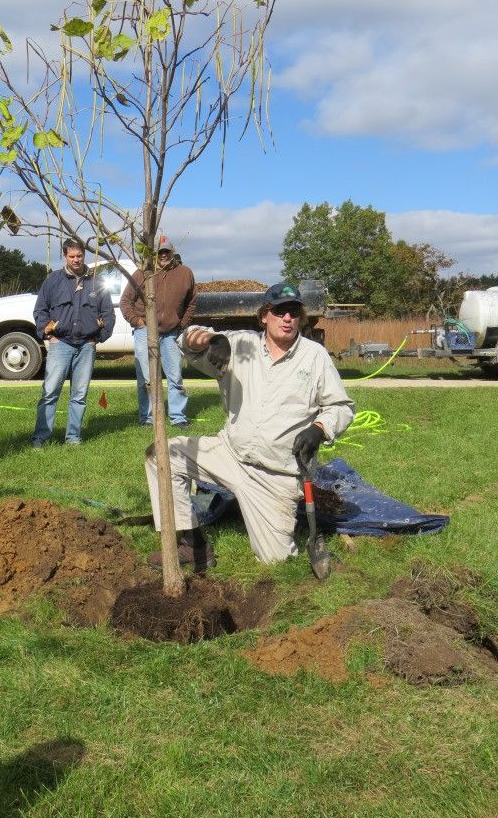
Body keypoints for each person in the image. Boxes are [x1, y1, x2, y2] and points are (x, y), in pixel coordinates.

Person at [144, 282, 355, 572]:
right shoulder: (239, 345)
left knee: (276, 562)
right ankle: (194, 546)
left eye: (294, 312)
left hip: (276, 474)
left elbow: (341, 407)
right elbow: (185, 339)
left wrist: (319, 428)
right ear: (264, 316)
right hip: (229, 454)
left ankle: (256, 512)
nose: (287, 319)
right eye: (280, 311)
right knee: (161, 454)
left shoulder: (314, 356)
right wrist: (211, 340)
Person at [31, 238, 114, 447]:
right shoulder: (53, 281)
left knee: (79, 395)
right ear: (65, 256)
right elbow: (40, 310)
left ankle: (73, 437)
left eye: (79, 256)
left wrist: (97, 338)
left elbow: (109, 314)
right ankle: (41, 437)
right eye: (71, 256)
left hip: (86, 345)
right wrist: (49, 335)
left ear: (84, 255)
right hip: (61, 344)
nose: (76, 260)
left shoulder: (97, 281)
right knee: (50, 392)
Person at [120, 235, 196, 426]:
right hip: (145, 331)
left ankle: (178, 417)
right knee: (146, 378)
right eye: (159, 252)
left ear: (173, 251)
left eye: (166, 251)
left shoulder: (185, 273)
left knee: (175, 377)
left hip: (171, 333)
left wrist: (181, 324)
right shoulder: (142, 273)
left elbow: (192, 302)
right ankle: (147, 418)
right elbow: (125, 302)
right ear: (154, 254)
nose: (163, 255)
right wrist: (137, 322)